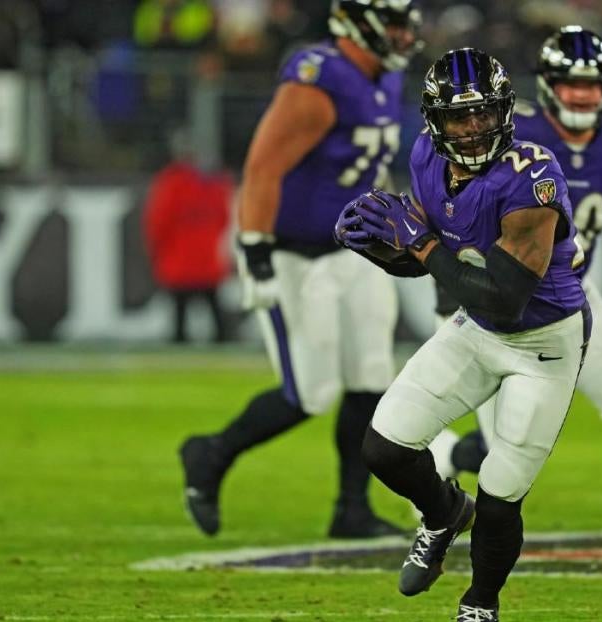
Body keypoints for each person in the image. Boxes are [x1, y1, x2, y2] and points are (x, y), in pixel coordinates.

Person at [334, 48, 589, 622]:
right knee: (384, 447)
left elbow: (505, 298)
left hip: (542, 343)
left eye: (483, 114)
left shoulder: (532, 175)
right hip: (475, 327)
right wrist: (382, 248)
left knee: (501, 494)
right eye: (459, 116)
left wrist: (418, 244)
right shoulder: (427, 156)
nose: (473, 128)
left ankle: (480, 605)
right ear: (435, 121)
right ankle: (445, 510)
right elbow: (436, 262)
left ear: (505, 112)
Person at [432, 26, 602, 573]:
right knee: (506, 446)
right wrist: (452, 289)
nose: (581, 94)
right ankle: (448, 457)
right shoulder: (511, 132)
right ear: (548, 85)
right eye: (569, 83)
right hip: (499, 304)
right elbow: (453, 205)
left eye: (592, 84)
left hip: (571, 295)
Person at [178, 0, 421, 539]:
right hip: (294, 251)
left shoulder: (384, 77)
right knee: (310, 393)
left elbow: (367, 167)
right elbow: (263, 168)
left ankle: (351, 509)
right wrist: (256, 250)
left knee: (371, 378)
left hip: (354, 249)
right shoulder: (321, 78)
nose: (404, 34)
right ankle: (210, 454)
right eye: (394, 22)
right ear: (358, 21)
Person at [143, 128, 233, 343]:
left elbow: (157, 222)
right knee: (214, 312)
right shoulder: (215, 182)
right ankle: (222, 343)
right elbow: (224, 218)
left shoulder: (170, 182)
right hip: (206, 259)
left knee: (180, 316)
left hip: (179, 260)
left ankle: (181, 346)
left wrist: (156, 251)